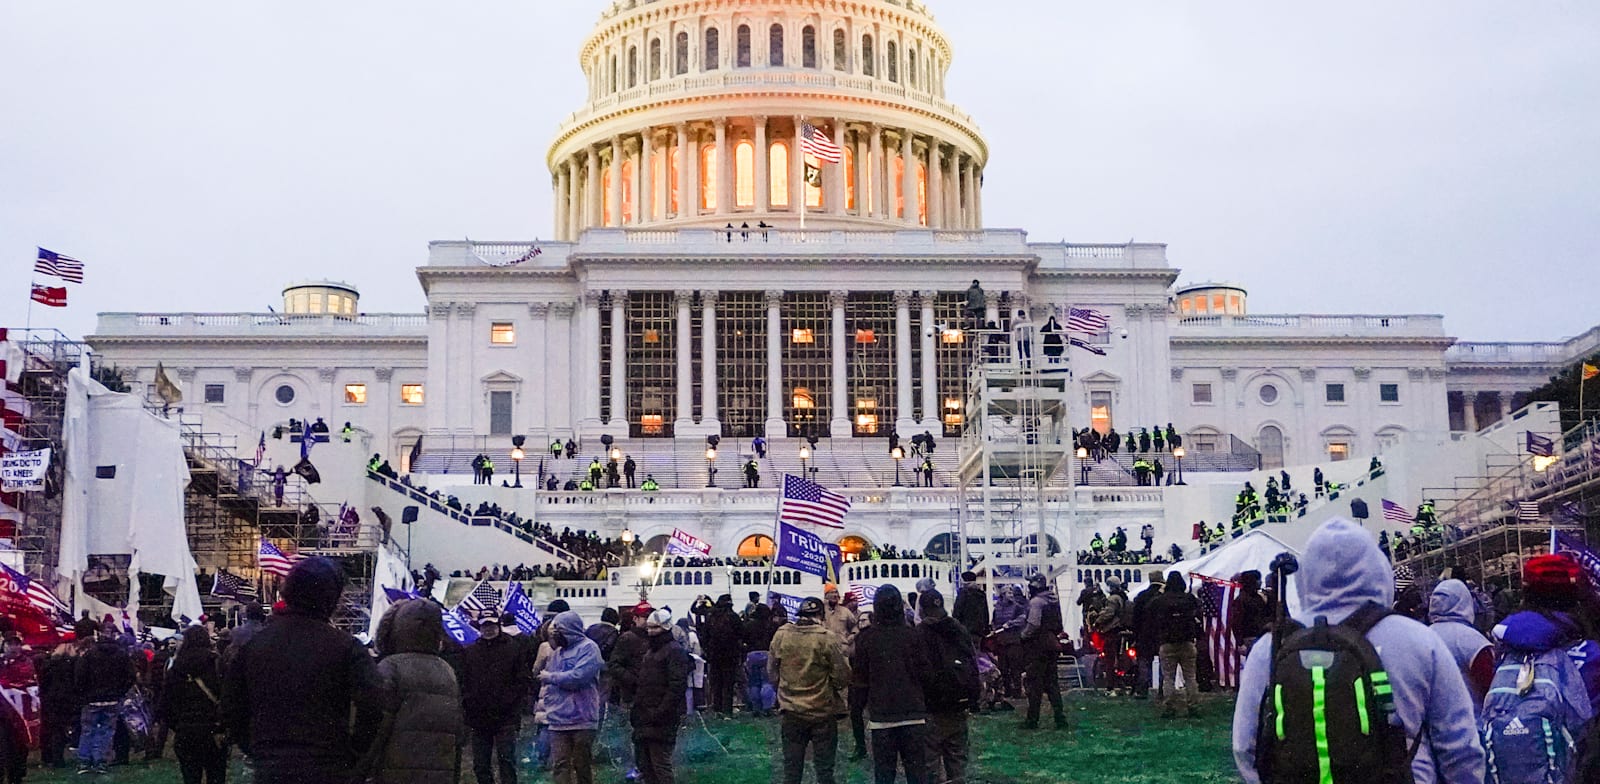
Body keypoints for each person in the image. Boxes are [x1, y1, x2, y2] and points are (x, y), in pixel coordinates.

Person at [1232, 518, 1485, 784]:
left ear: (1306, 576)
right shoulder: (1419, 640)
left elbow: (1245, 746)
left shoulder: (1271, 647)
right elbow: (1460, 747)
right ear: (1378, 569)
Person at [223, 557, 385, 784]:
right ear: (333, 598)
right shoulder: (346, 647)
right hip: (327, 766)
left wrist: (256, 749)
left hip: (272, 766)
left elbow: (231, 707)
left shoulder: (255, 646)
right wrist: (354, 752)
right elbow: (375, 704)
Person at [362, 600, 464, 784]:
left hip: (394, 774)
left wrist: (363, 770)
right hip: (439, 775)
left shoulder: (390, 667)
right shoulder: (447, 670)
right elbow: (456, 734)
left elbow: (375, 727)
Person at [853, 585, 933, 784]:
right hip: (913, 712)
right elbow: (927, 674)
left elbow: (860, 680)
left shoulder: (867, 639)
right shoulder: (913, 636)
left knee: (884, 774)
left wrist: (856, 709)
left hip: (882, 715)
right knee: (917, 774)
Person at [769, 597, 850, 784]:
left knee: (792, 771)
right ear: (821, 615)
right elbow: (843, 676)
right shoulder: (826, 637)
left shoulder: (781, 635)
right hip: (822, 712)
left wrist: (783, 690)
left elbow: (772, 672)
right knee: (824, 770)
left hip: (791, 712)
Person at [461, 613, 530, 784]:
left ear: (498, 625)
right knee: (481, 764)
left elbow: (522, 680)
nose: (488, 629)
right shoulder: (470, 652)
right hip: (479, 717)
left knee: (506, 761)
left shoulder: (514, 649)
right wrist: (469, 703)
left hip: (505, 716)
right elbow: (464, 680)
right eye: (485, 626)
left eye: (491, 625)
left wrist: (512, 704)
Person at [917, 590, 977, 784]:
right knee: (957, 758)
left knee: (930, 761)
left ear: (922, 609)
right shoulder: (958, 629)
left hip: (932, 705)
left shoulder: (919, 633)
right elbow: (972, 662)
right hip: (959, 702)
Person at [158, 626, 228, 784]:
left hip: (186, 730)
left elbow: (165, 705)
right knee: (216, 775)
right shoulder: (216, 663)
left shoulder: (176, 669)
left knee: (190, 777)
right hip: (214, 729)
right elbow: (228, 695)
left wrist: (178, 725)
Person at [540, 610, 603, 784]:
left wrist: (550, 677)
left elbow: (578, 677)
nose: (555, 635)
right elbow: (549, 685)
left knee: (581, 764)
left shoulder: (589, 648)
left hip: (582, 718)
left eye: (558, 630)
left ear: (570, 629)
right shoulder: (557, 653)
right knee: (560, 765)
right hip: (558, 720)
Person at [631, 610, 689, 784]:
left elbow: (676, 686)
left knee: (660, 764)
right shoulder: (650, 652)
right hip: (645, 715)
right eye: (648, 628)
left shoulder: (674, 651)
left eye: (655, 628)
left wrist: (660, 711)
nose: (650, 632)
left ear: (665, 627)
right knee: (645, 765)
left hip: (662, 717)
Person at [75, 618, 134, 775]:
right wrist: (119, 691)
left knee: (88, 730)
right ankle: (100, 761)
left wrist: (85, 694)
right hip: (112, 698)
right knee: (106, 731)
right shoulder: (121, 655)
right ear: (114, 635)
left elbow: (79, 677)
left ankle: (84, 761)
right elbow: (130, 676)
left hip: (92, 699)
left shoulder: (89, 655)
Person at [1426, 579, 1494, 714]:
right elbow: (1491, 687)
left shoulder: (1421, 636)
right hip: (1471, 723)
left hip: (1431, 726)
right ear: (1466, 601)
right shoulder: (1472, 640)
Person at [1148, 571, 1201, 718]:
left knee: (1168, 678)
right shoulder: (1189, 599)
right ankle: (1193, 706)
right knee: (1190, 677)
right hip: (1187, 641)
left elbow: (1151, 614)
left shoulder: (1160, 600)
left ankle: (1169, 707)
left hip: (1167, 642)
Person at [1019, 573, 1066, 730]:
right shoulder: (1053, 600)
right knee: (1052, 683)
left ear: (1035, 586)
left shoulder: (1036, 602)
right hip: (1052, 645)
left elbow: (1033, 624)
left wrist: (1023, 635)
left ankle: (1032, 720)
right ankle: (1060, 718)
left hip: (1037, 647)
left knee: (1035, 684)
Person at [702, 595, 743, 715]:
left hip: (714, 655)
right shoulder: (734, 617)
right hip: (731, 655)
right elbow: (741, 634)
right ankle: (727, 710)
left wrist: (708, 650)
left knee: (717, 683)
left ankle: (717, 708)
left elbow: (704, 636)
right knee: (728, 684)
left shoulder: (711, 617)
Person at [1129, 570, 1165, 699]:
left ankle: (1142, 689)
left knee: (1144, 662)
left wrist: (1135, 635)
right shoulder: (1163, 596)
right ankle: (1163, 689)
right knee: (1164, 662)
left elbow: (1135, 618)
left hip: (1144, 634)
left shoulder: (1142, 596)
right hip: (1161, 634)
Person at [1229, 571, 1271, 656]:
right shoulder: (1241, 600)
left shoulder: (1259, 597)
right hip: (1249, 638)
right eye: (1258, 580)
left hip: (1262, 636)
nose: (1260, 582)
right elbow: (1236, 623)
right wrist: (1240, 643)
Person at [952, 572, 990, 640]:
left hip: (965, 630)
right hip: (979, 631)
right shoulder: (981, 595)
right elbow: (985, 613)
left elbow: (957, 612)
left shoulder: (963, 594)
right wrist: (986, 629)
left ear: (964, 581)